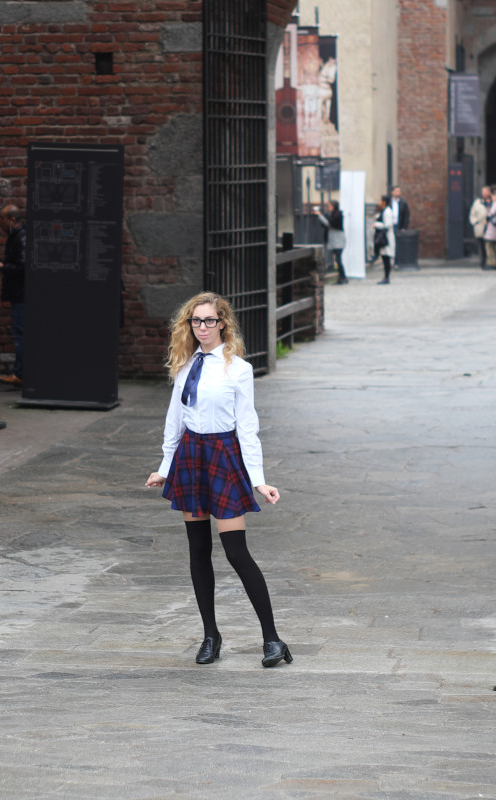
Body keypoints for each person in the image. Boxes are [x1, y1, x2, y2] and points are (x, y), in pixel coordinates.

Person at [145, 292, 289, 669]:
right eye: (196, 321)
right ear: (188, 325)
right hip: (191, 457)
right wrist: (164, 465)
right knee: (198, 551)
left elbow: (248, 427)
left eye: (210, 320)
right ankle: (211, 635)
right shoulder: (183, 365)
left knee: (236, 551)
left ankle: (272, 640)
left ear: (223, 323)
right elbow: (174, 419)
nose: (203, 328)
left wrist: (258, 479)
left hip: (223, 457)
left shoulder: (238, 368)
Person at [0, 205, 26, 387]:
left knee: (20, 335)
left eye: (2, 219)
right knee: (21, 334)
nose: (0, 223)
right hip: (19, 294)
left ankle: (20, 374)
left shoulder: (21, 237)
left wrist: (3, 267)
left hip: (22, 295)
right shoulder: (16, 236)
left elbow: (23, 268)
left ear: (12, 219)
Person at [314, 200, 347, 284]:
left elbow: (329, 223)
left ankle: (343, 277)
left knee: (338, 259)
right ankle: (341, 277)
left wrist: (320, 216)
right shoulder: (331, 214)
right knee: (337, 259)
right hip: (334, 240)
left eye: (330, 206)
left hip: (338, 240)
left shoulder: (338, 215)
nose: (329, 208)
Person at [372, 195, 396, 284]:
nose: (379, 202)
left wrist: (376, 224)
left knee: (386, 258)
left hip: (386, 238)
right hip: (383, 238)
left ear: (384, 202)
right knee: (384, 257)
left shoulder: (388, 212)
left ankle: (387, 278)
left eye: (380, 200)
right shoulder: (383, 211)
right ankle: (386, 277)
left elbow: (388, 225)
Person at [468, 188, 490, 269]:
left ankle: (489, 262)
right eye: (483, 192)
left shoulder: (492, 202)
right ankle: (483, 262)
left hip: (490, 227)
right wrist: (474, 222)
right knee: (481, 245)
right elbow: (472, 214)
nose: (484, 193)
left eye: (486, 191)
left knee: (488, 245)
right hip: (480, 227)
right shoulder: (477, 202)